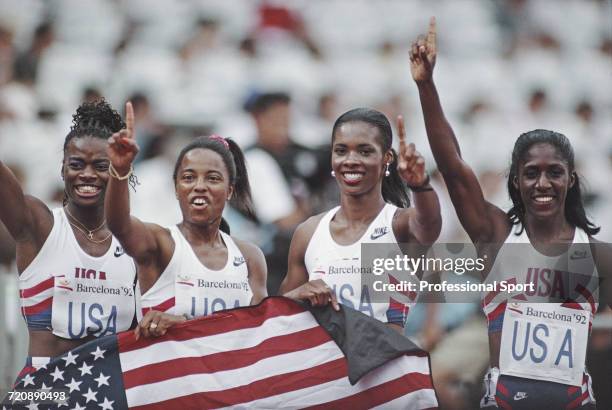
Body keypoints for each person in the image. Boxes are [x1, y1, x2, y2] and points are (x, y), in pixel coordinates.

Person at [410, 17, 611, 409]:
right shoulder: (496, 235)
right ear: (515, 181)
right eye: (530, 173)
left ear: (571, 178)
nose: (542, 183)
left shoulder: (598, 253)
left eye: (554, 173)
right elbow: (453, 167)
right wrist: (426, 86)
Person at [0, 99, 138, 377]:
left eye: (100, 165)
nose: (86, 175)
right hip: (43, 393)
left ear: (116, 169)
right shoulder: (39, 225)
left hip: (110, 394)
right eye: (76, 164)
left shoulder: (136, 241)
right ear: (62, 169)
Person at [105, 103, 267, 339]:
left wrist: (187, 324)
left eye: (212, 178)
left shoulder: (250, 257)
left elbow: (259, 331)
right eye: (189, 177)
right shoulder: (160, 243)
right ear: (176, 188)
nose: (199, 187)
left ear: (229, 190)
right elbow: (118, 224)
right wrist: (119, 170)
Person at [279, 107, 442, 332]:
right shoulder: (308, 232)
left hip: (387, 365)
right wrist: (297, 295)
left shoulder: (399, 225)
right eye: (341, 151)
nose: (351, 160)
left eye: (365, 152)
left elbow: (430, 223)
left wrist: (420, 184)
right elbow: (280, 322)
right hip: (322, 365)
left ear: (387, 158)